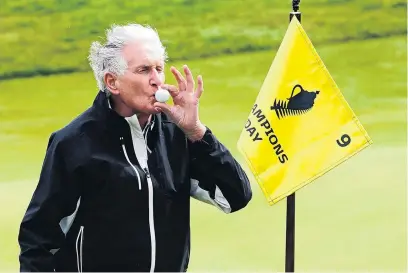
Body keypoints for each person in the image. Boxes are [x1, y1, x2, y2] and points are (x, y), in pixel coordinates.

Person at [18, 23, 252, 272]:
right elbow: (38, 240)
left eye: (159, 69)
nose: (157, 81)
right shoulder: (74, 143)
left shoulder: (177, 134)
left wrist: (196, 132)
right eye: (144, 70)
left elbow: (235, 196)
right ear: (112, 82)